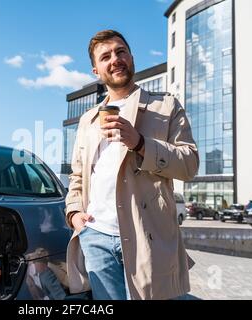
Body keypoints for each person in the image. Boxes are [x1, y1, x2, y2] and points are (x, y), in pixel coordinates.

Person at [65, 30, 199, 300]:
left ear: (131, 56)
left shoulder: (166, 106)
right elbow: (77, 176)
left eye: (120, 51)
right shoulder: (88, 120)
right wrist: (74, 213)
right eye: (106, 56)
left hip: (147, 239)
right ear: (96, 70)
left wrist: (140, 143)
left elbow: (189, 164)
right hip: (96, 237)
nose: (115, 59)